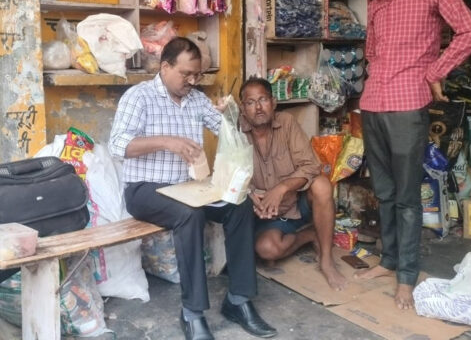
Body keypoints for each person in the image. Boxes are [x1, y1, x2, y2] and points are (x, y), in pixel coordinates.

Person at [109, 37, 277, 340]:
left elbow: (229, 129)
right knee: (190, 215)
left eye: (196, 75)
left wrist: (229, 113)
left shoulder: (197, 100)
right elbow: (118, 145)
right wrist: (166, 141)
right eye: (185, 74)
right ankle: (193, 312)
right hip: (145, 190)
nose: (191, 81)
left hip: (190, 187)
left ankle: (238, 300)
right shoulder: (139, 97)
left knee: (238, 204)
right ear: (165, 67)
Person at [356, 0, 471, 309]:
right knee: (384, 192)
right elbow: (371, 52)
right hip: (373, 104)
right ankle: (389, 260)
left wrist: (436, 71)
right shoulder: (376, 3)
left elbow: (468, 30)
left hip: (408, 105)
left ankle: (406, 276)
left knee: (407, 198)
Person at [238, 77, 347, 291]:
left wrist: (282, 188)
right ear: (242, 108)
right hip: (266, 214)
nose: (258, 108)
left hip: (297, 203)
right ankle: (310, 235)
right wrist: (250, 195)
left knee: (322, 185)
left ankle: (326, 260)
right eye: (250, 102)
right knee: (268, 250)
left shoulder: (286, 123)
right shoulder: (236, 133)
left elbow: (311, 166)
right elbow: (230, 177)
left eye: (263, 100)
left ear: (273, 102)